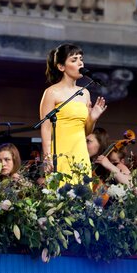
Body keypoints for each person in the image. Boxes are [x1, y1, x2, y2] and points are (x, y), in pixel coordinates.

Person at [39, 43, 107, 177]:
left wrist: (93, 118)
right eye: (74, 60)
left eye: (81, 59)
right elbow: (46, 128)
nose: (80, 63)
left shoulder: (85, 93)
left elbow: (86, 131)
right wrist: (47, 157)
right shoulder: (52, 92)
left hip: (80, 154)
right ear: (61, 66)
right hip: (60, 154)